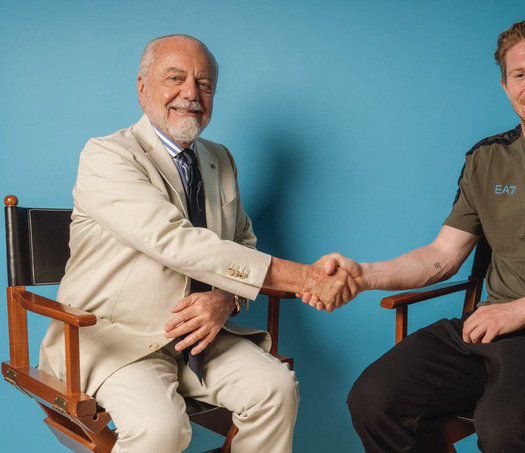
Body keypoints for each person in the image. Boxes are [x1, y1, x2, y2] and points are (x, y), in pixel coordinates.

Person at [305, 17, 525, 452]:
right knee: (374, 399)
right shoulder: (486, 159)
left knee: (504, 426)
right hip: (492, 328)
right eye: (519, 75)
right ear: (505, 87)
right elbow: (441, 256)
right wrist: (363, 275)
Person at [38, 34, 355, 452]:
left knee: (275, 389)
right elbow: (176, 241)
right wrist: (305, 278)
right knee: (163, 429)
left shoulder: (219, 159)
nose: (191, 93)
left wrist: (225, 298)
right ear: (142, 88)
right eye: (175, 78)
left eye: (204, 84)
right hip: (116, 338)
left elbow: (243, 240)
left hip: (198, 338)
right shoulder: (107, 156)